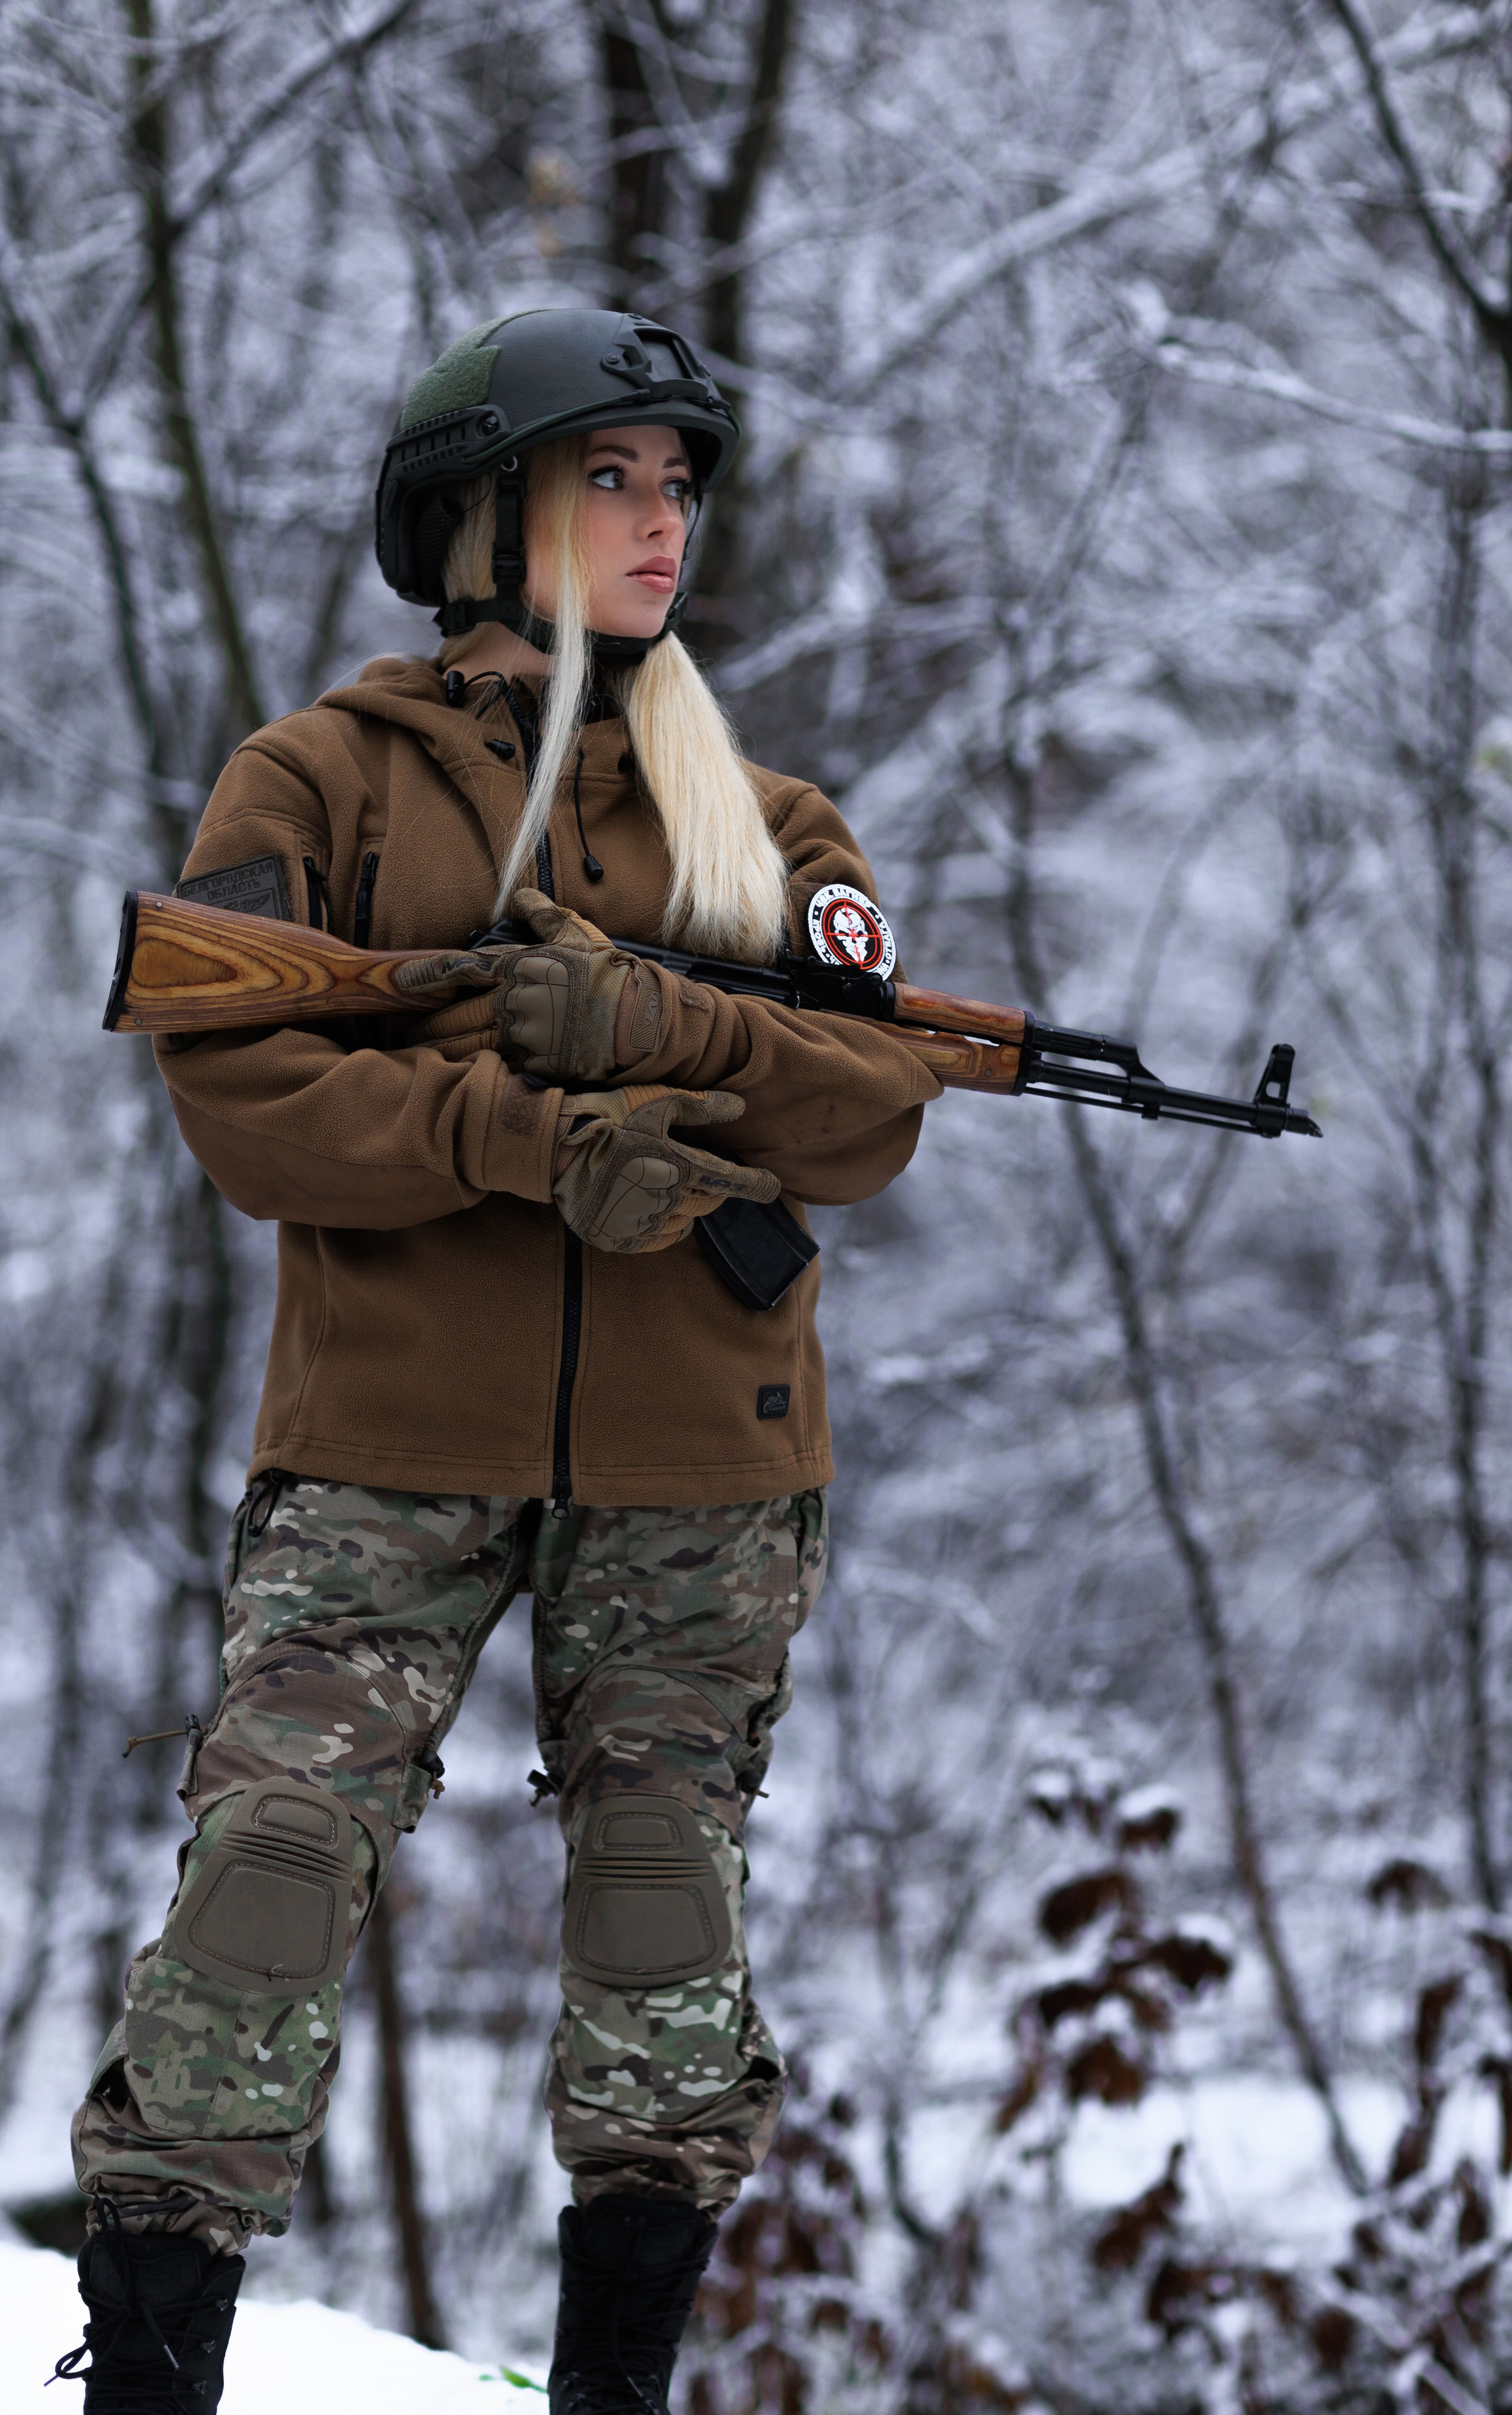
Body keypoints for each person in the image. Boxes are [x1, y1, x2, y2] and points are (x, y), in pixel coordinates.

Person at [55, 309, 938, 2415]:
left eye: (680, 484)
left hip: (701, 1465)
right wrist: (521, 1138)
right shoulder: (317, 781)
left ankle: (612, 2392)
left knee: (661, 1916)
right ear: (477, 514)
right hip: (383, 1441)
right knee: (269, 1872)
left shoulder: (774, 824)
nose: (663, 524)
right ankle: (151, 2368)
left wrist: (671, 1032)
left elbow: (873, 1110)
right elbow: (240, 1095)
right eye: (609, 478)